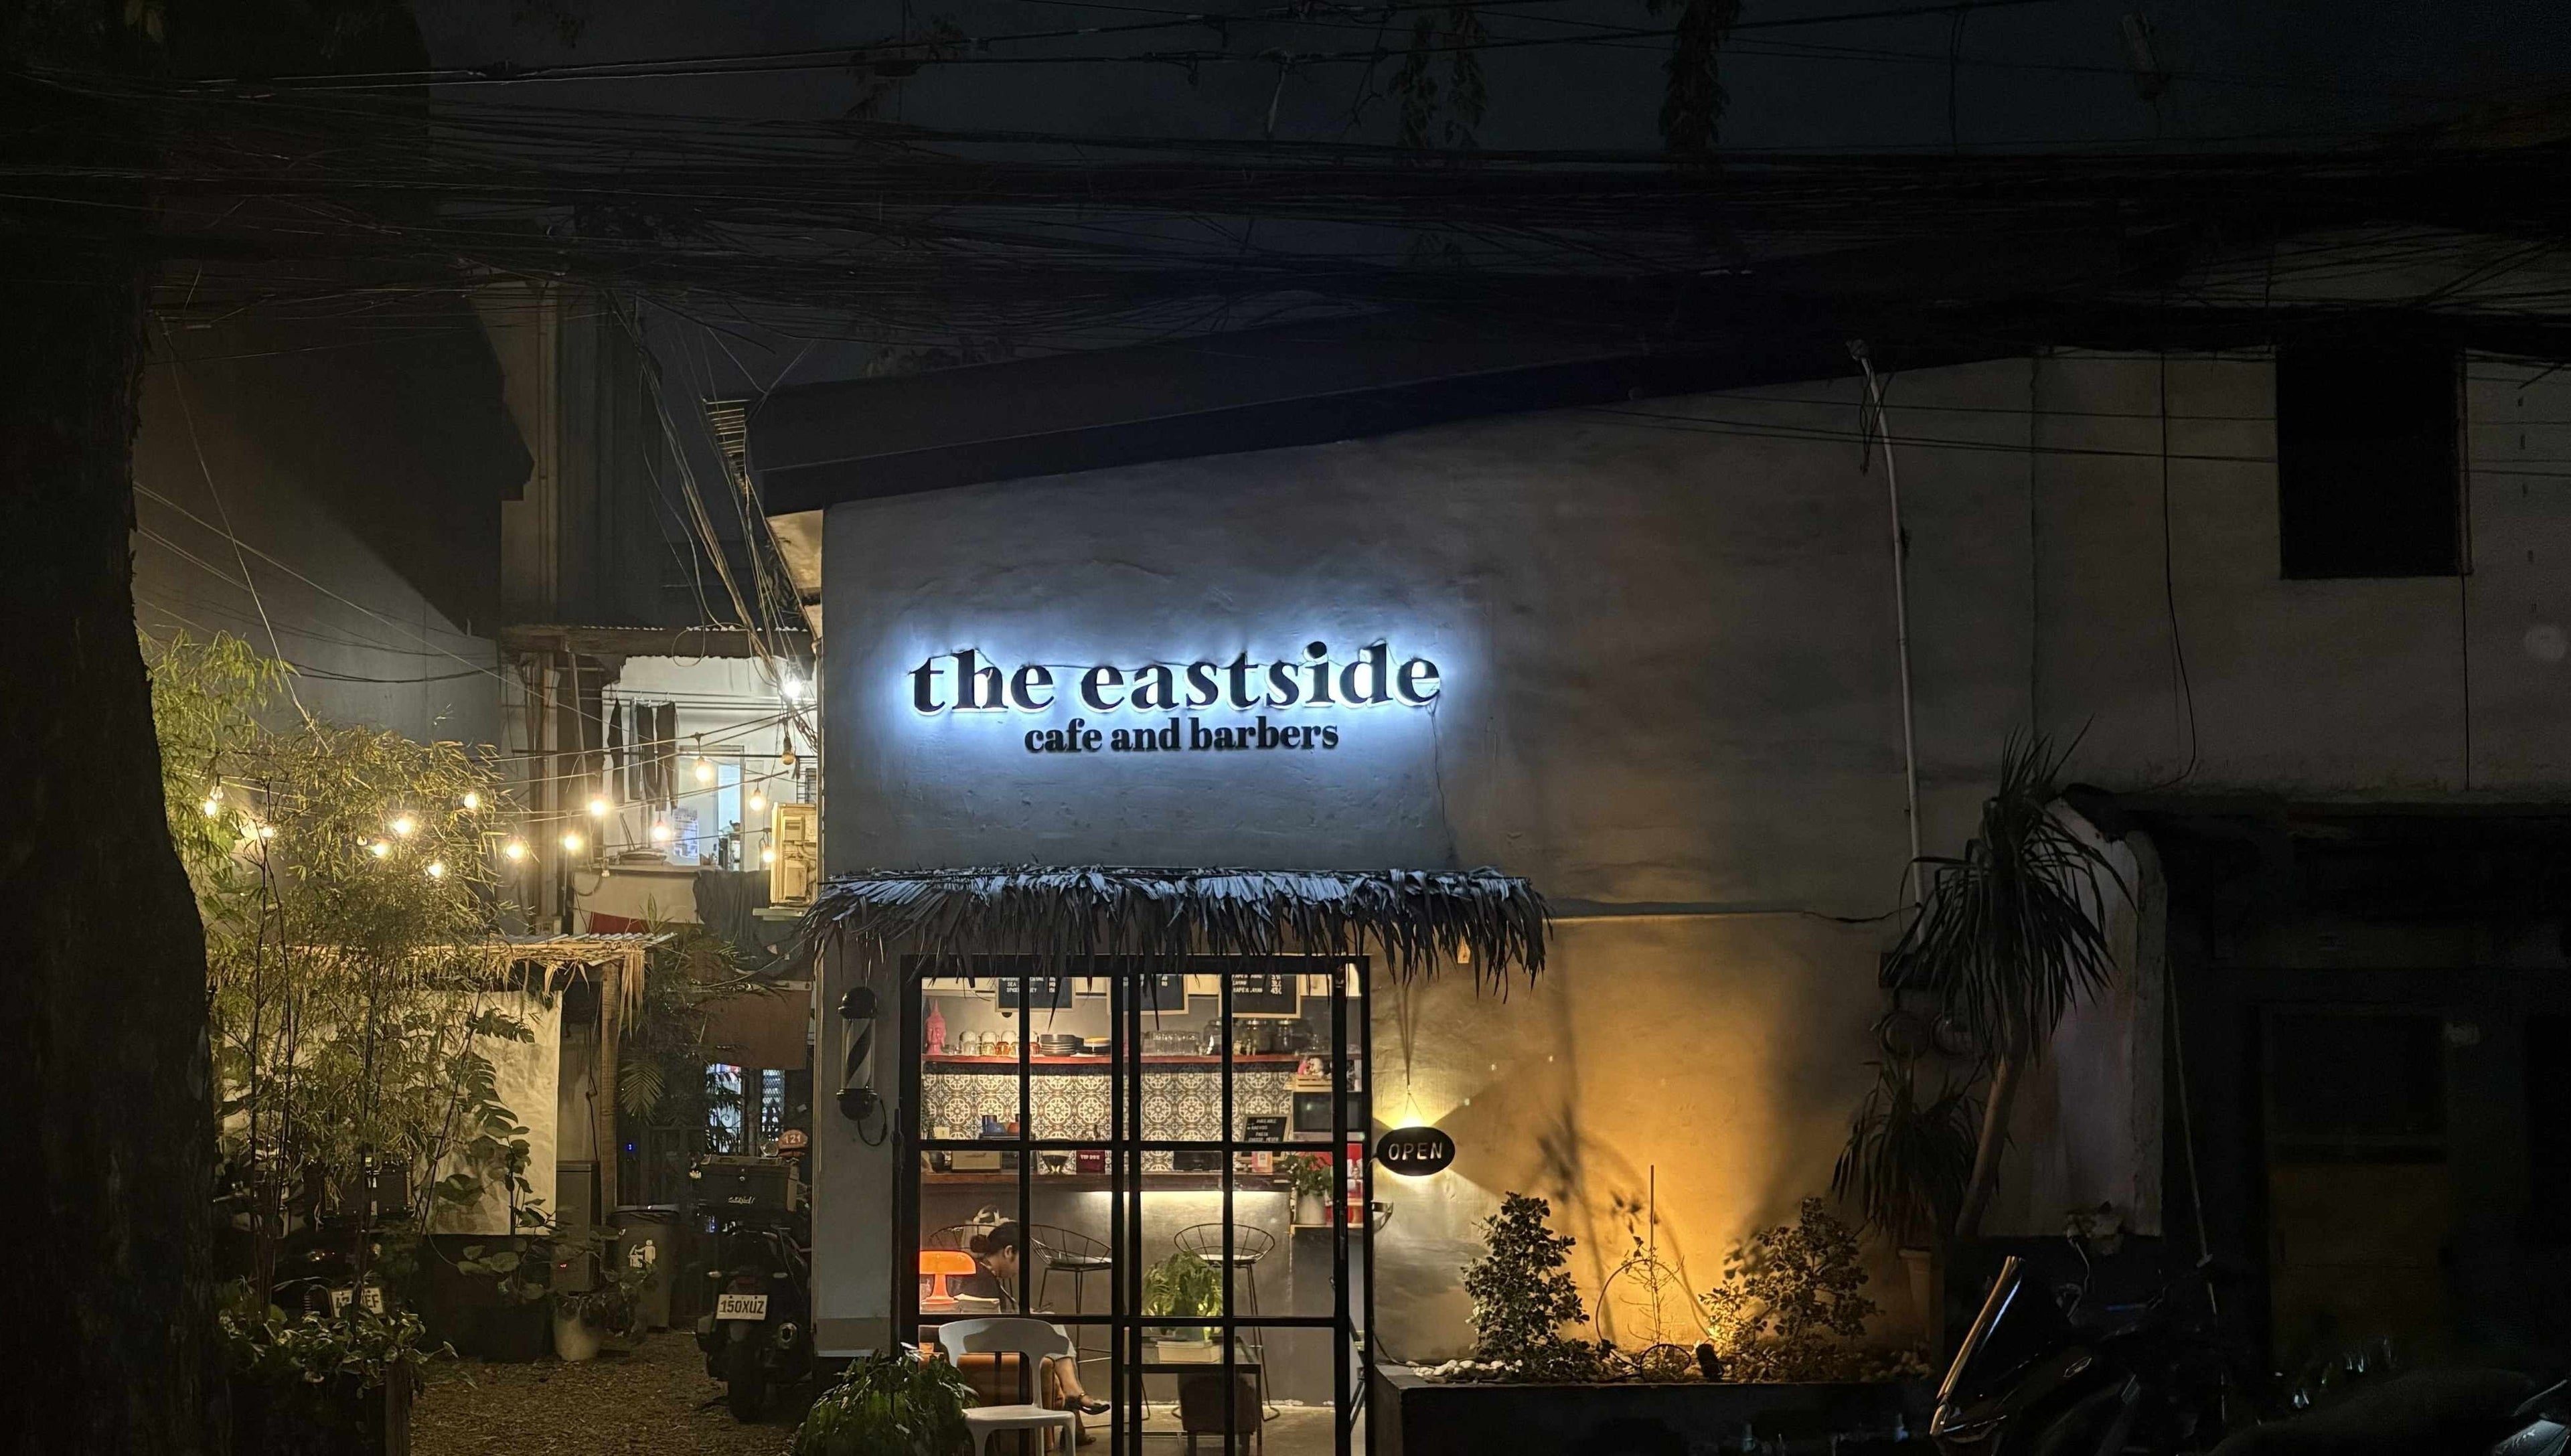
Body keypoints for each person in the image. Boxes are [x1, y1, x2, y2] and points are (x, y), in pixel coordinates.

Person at [962, 1223, 1111, 1429]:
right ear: (1009, 1252)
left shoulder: (984, 1274)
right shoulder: (982, 1279)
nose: (1022, 1268)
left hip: (991, 1339)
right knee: (1051, 1326)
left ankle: (1074, 1403)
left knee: (1050, 1325)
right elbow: (987, 1322)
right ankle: (1074, 1394)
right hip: (986, 1345)